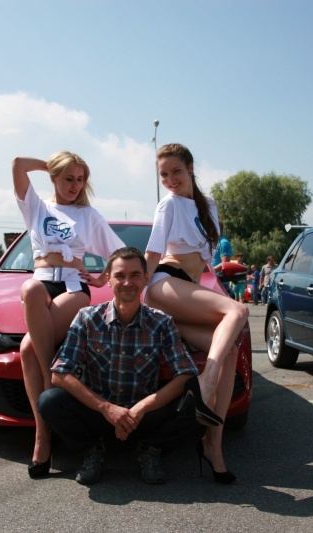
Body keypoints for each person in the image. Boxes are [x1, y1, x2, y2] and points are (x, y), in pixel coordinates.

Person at [39, 247, 203, 485]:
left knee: (197, 400)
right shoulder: (87, 318)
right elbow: (59, 374)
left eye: (135, 275)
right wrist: (106, 408)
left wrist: (140, 409)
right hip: (98, 415)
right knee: (49, 401)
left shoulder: (162, 322)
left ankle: (150, 449)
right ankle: (92, 450)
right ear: (108, 280)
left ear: (146, 279)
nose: (127, 282)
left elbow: (185, 374)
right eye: (120, 275)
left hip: (144, 417)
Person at [13, 151, 124, 479]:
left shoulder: (88, 215)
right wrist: (52, 165)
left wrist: (103, 277)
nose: (76, 185)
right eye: (68, 178)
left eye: (80, 179)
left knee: (27, 348)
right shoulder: (36, 207)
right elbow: (18, 164)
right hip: (41, 284)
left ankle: (42, 432)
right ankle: (48, 403)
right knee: (30, 292)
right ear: (54, 177)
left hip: (74, 287)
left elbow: (119, 253)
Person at [143, 143, 248, 483]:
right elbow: (153, 254)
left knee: (229, 349)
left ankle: (212, 445)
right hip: (164, 284)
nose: (170, 180)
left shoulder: (209, 205)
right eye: (163, 175)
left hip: (186, 292)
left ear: (190, 168)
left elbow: (206, 263)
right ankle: (207, 379)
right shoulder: (168, 204)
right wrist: (136, 299)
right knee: (238, 310)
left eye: (175, 171)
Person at [211, 222, 233, 297]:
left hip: (220, 282)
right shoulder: (215, 242)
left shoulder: (223, 243)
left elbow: (225, 264)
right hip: (212, 281)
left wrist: (210, 271)